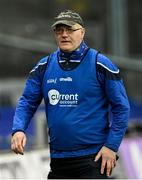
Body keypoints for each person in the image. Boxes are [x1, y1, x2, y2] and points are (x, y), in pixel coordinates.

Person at [11, 10, 130, 179]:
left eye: (70, 29)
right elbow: (27, 101)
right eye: (59, 30)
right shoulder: (43, 67)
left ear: (82, 32)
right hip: (58, 159)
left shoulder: (101, 64)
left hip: (93, 158)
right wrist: (18, 129)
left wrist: (111, 146)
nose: (64, 35)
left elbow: (121, 108)